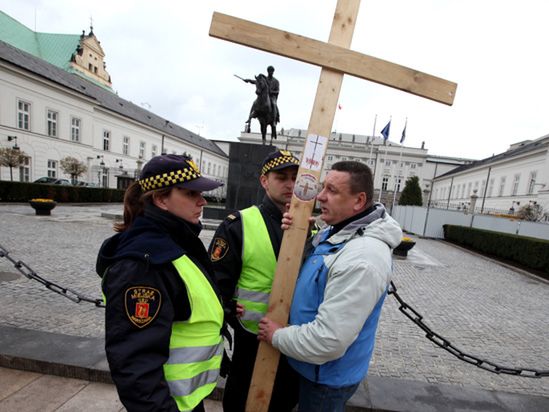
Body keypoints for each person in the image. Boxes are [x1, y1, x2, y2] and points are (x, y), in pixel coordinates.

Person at [258, 161, 402, 412]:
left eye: (332, 191)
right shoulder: (340, 230)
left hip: (325, 379)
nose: (321, 196)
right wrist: (300, 234)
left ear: (358, 201)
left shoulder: (363, 259)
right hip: (309, 367)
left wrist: (276, 336)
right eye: (323, 187)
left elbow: (328, 340)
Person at [96, 154, 225, 412]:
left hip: (183, 399)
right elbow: (135, 365)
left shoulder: (175, 240)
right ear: (160, 199)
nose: (202, 201)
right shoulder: (145, 263)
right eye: (191, 193)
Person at [208, 149, 300, 412]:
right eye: (281, 177)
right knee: (241, 402)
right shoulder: (239, 224)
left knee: (284, 402)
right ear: (264, 181)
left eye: (295, 177)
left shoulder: (311, 228)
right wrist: (228, 310)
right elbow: (214, 282)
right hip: (252, 338)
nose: (290, 184)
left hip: (295, 341)